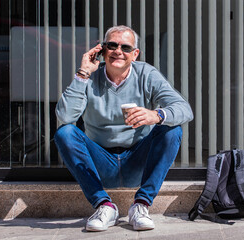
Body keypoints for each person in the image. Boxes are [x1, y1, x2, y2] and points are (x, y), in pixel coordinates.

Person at [54, 25, 193, 232]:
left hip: (137, 161)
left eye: (126, 47)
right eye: (112, 45)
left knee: (172, 129)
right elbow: (65, 117)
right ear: (102, 50)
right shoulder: (90, 77)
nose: (118, 51)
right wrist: (83, 73)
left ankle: (141, 205)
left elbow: (185, 109)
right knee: (64, 132)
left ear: (134, 54)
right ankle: (104, 206)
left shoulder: (146, 73)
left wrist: (156, 115)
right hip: (100, 163)